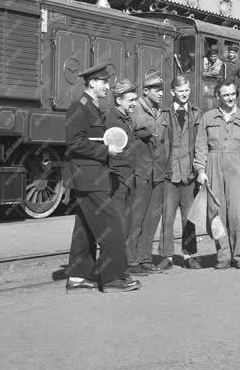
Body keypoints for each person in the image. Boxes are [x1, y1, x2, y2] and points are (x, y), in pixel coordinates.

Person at [64, 63, 141, 294]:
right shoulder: (80, 107)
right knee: (112, 225)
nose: (108, 86)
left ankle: (78, 277)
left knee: (84, 228)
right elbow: (74, 142)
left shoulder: (93, 107)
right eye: (104, 82)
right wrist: (104, 151)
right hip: (89, 177)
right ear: (93, 83)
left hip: (92, 176)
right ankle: (113, 277)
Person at [195, 79, 240, 269]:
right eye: (226, 95)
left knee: (239, 213)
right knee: (216, 213)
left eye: (233, 94)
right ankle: (223, 256)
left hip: (238, 167)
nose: (230, 98)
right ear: (218, 96)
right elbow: (201, 145)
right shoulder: (208, 117)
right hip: (213, 166)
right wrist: (201, 170)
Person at [129, 71, 170, 274]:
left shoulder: (159, 111)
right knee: (136, 217)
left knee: (152, 216)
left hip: (158, 172)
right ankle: (131, 261)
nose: (161, 93)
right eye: (156, 90)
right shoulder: (135, 109)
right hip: (141, 172)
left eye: (162, 90)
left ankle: (144, 257)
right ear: (145, 91)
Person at [159, 76, 202, 269]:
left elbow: (201, 144)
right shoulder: (164, 114)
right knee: (167, 217)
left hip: (189, 176)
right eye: (180, 91)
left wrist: (200, 169)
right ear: (172, 92)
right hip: (169, 175)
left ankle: (189, 255)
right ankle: (166, 257)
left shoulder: (196, 114)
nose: (184, 94)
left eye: (187, 90)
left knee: (189, 218)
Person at [104, 78, 142, 273]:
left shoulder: (125, 118)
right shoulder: (111, 119)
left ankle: (122, 266)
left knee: (125, 223)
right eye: (130, 100)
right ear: (118, 100)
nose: (134, 103)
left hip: (127, 178)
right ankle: (116, 268)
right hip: (117, 179)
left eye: (136, 99)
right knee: (117, 225)